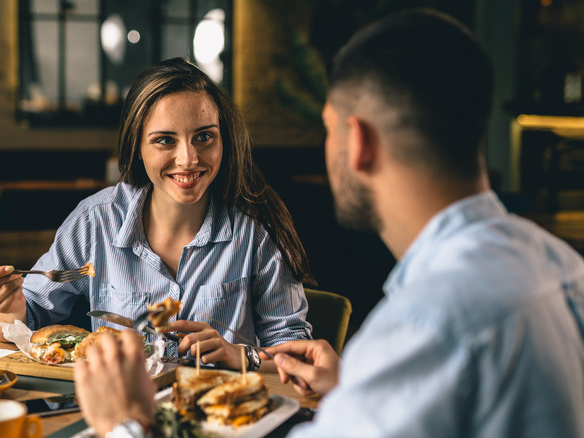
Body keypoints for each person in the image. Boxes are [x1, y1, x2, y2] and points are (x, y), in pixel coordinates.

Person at [73, 8, 584, 438]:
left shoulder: (427, 324)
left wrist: (126, 425)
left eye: (326, 130)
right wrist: (350, 392)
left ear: (357, 141)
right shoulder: (562, 265)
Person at [0, 58, 314, 370]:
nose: (188, 159)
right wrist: (9, 308)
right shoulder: (95, 221)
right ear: (137, 146)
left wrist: (240, 354)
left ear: (224, 139)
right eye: (165, 140)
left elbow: (297, 352)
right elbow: (22, 323)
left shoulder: (256, 229)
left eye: (204, 137)